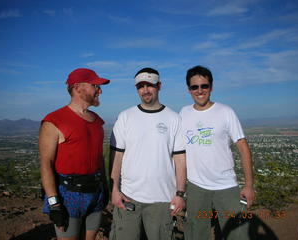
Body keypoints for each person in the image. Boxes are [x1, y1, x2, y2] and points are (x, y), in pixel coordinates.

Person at [109, 67, 187, 240]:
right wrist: (113, 189)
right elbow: (117, 157)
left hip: (162, 198)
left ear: (159, 85)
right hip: (128, 197)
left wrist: (180, 193)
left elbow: (180, 159)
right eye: (140, 86)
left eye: (149, 85)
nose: (145, 90)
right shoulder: (126, 117)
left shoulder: (174, 118)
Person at [180, 65, 255, 240]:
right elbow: (179, 153)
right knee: (195, 234)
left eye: (204, 86)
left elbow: (243, 147)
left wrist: (249, 185)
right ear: (189, 90)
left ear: (211, 87)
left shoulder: (225, 112)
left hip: (226, 185)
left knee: (237, 234)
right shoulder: (184, 113)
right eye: (194, 87)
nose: (200, 91)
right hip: (196, 186)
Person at [39, 68, 110, 240]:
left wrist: (105, 186)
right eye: (95, 86)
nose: (100, 90)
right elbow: (46, 163)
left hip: (96, 192)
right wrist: (54, 204)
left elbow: (98, 156)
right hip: (68, 195)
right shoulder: (54, 120)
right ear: (78, 88)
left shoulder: (97, 120)